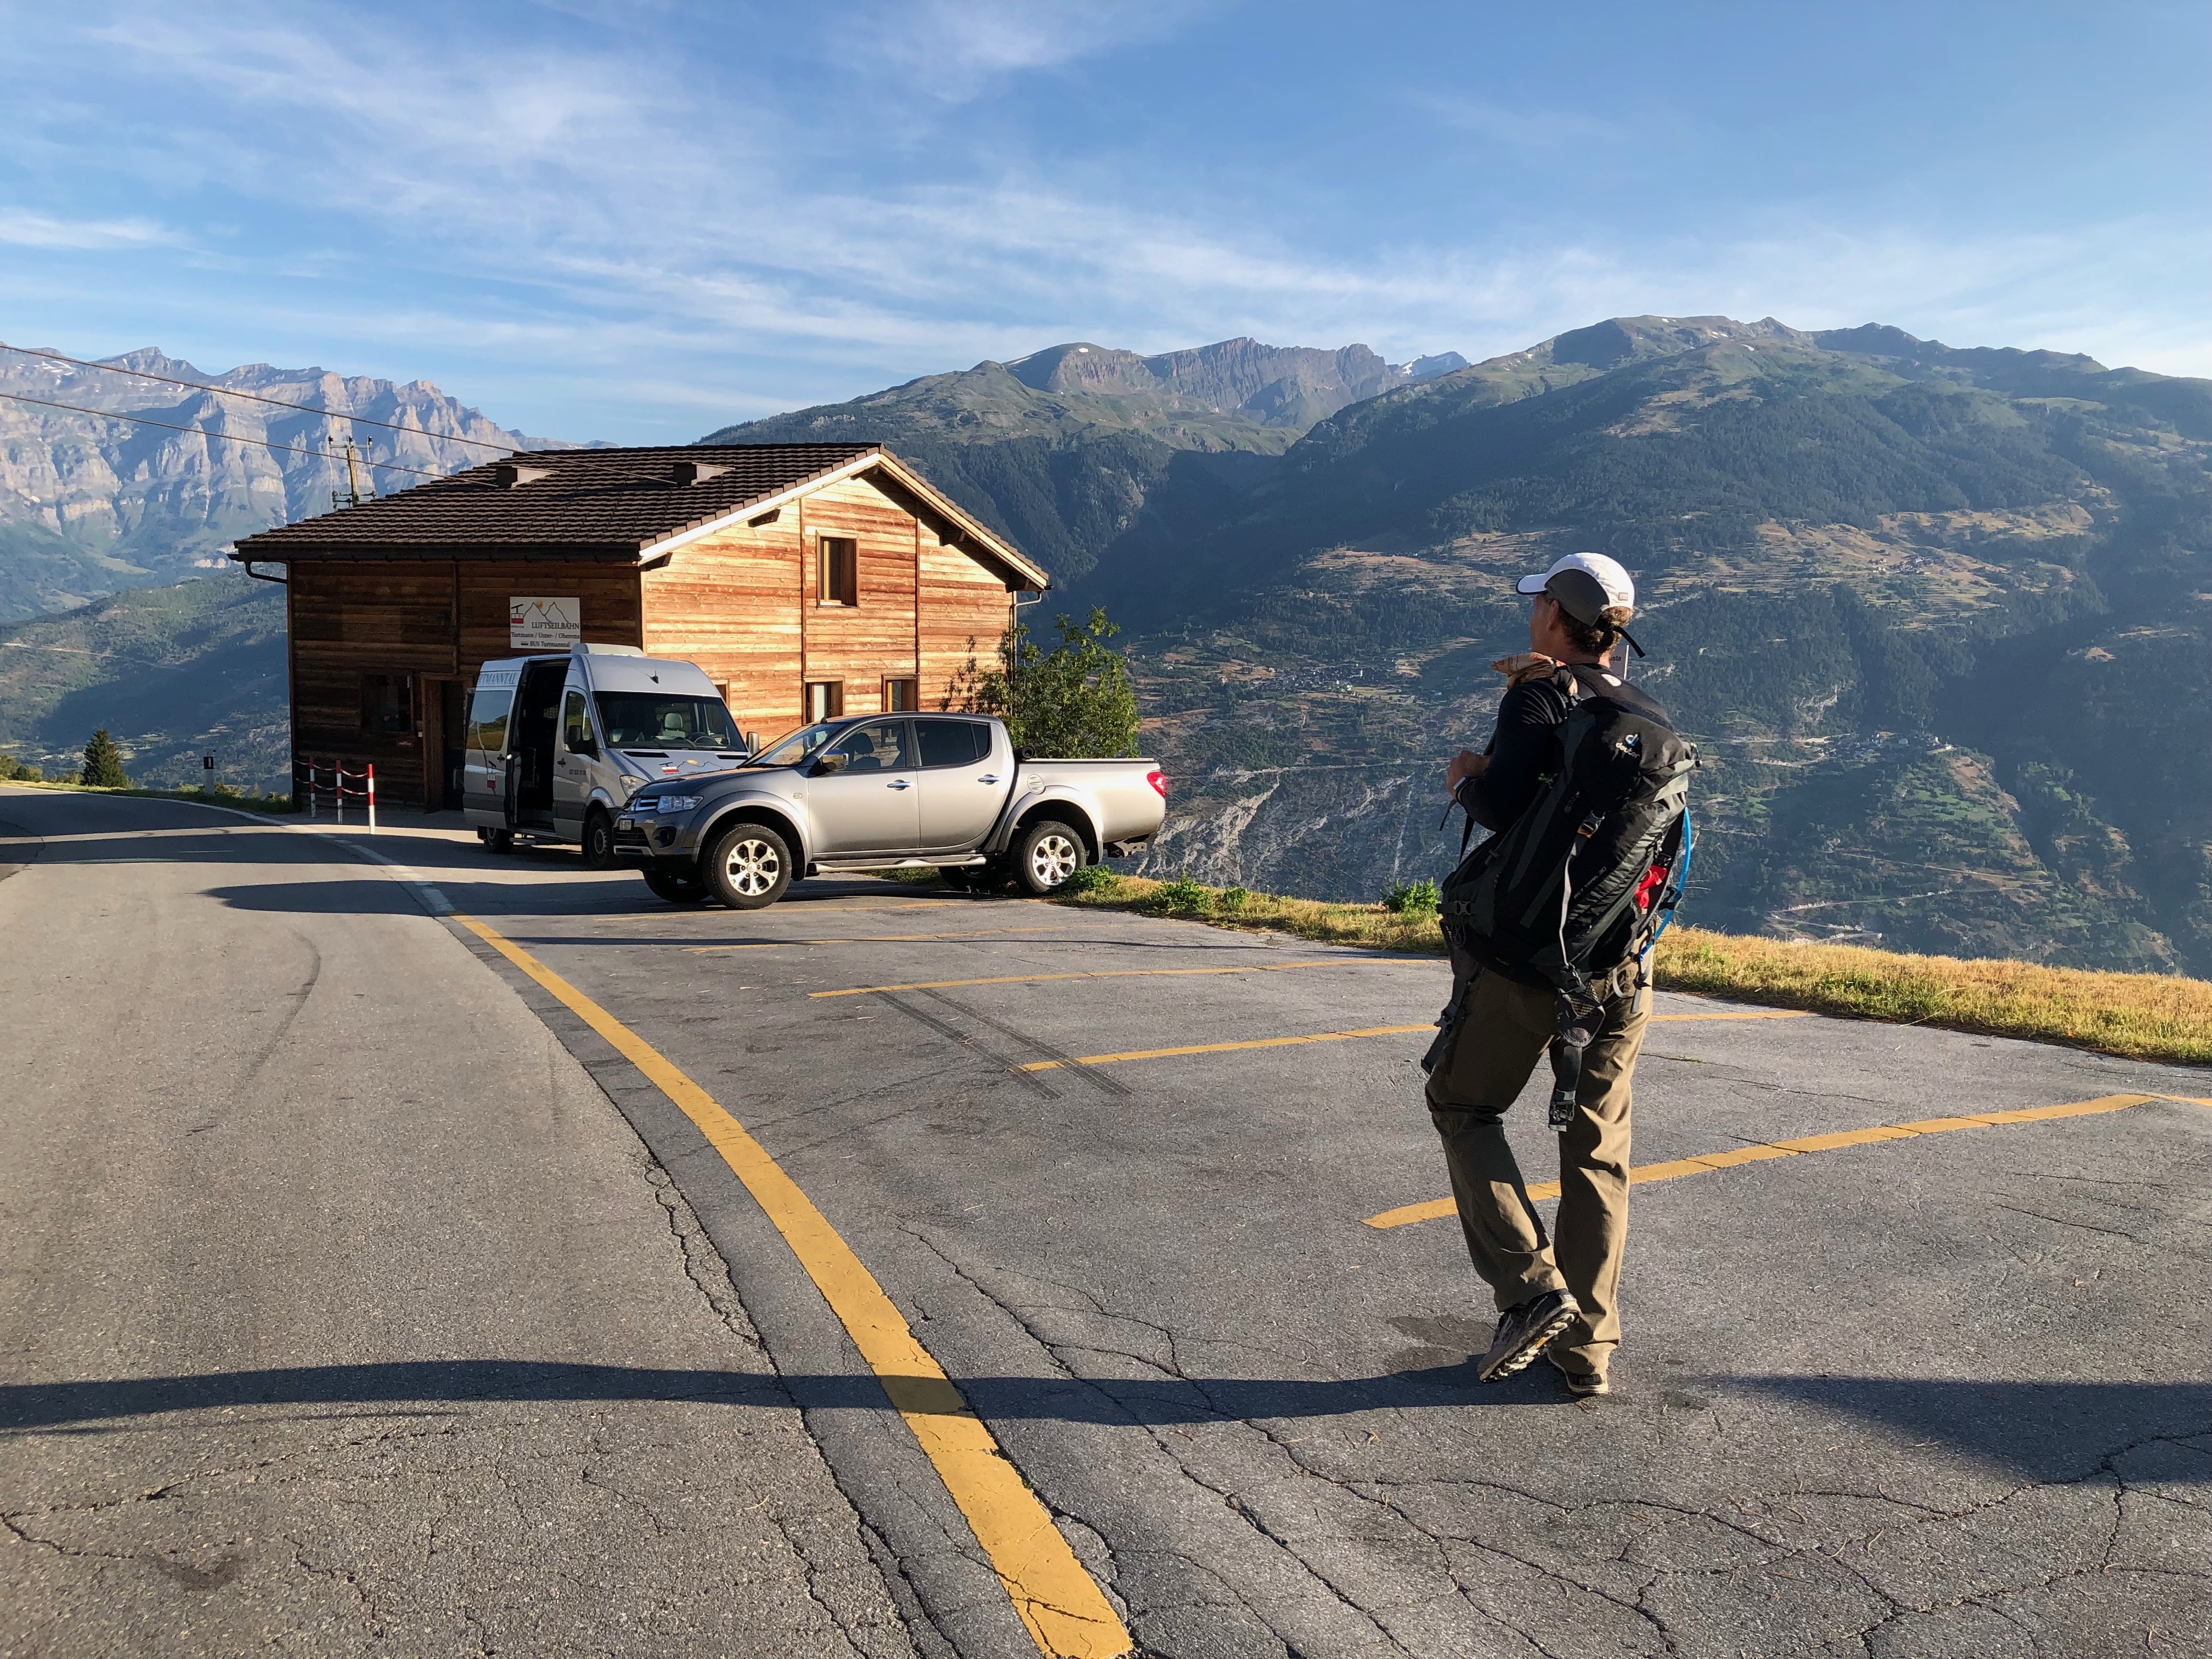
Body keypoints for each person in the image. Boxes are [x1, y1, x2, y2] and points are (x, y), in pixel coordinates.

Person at [1427, 551, 1671, 1398]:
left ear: (1554, 619)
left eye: (1539, 604)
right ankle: (1588, 1355)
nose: (1531, 614)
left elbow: (1499, 806)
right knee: (1596, 1150)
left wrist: (1465, 773)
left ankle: (1532, 1292)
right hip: (1624, 967)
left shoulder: (1539, 695)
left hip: (1533, 964)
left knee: (1462, 1104)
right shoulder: (1644, 714)